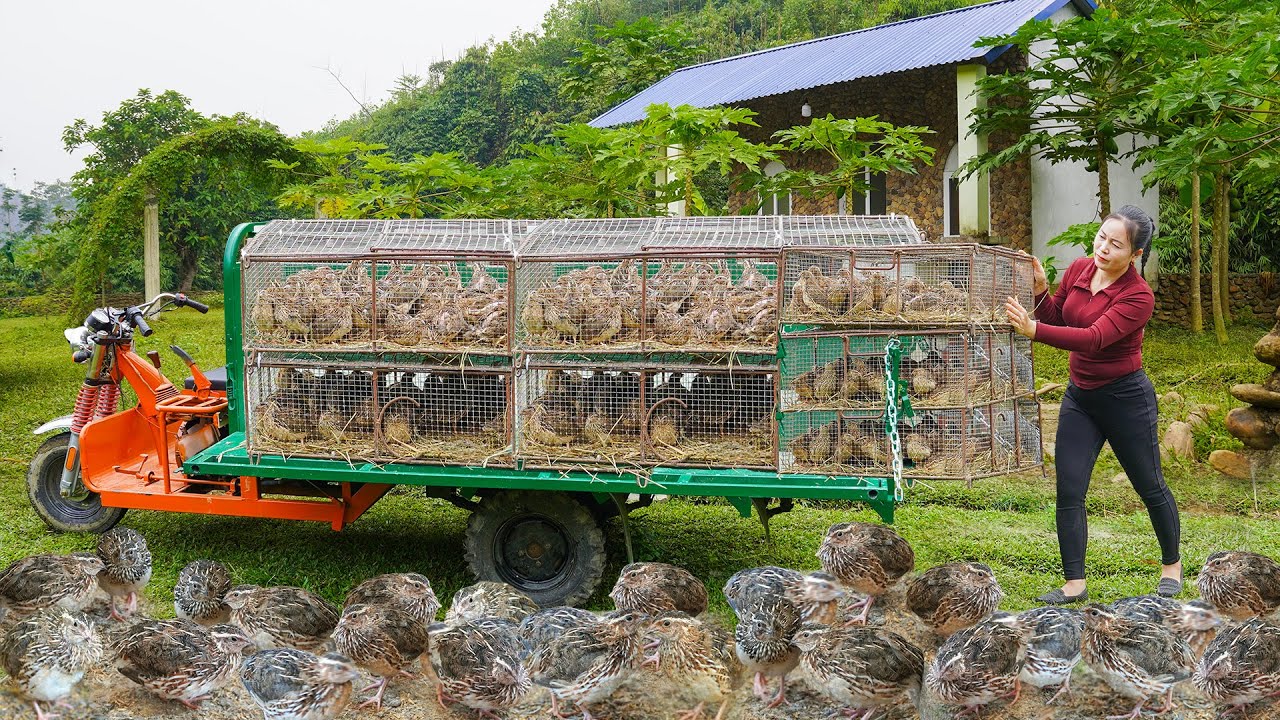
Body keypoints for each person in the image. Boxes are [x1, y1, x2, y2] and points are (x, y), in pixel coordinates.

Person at [1004, 205, 1181, 604]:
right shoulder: (1081, 268)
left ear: (1135, 254)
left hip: (1125, 400)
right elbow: (1061, 320)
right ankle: (1074, 583)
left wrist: (1033, 331)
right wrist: (1039, 290)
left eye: (1116, 244)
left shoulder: (1139, 296)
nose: (1103, 248)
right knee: (1069, 488)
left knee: (1149, 485)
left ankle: (1171, 564)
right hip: (1080, 397)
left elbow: (1095, 338)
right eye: (1102, 237)